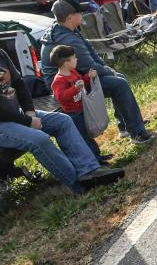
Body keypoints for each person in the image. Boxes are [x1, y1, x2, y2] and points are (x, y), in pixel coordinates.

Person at [1, 47, 122, 194]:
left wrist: (30, 113)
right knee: (40, 140)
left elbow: (19, 83)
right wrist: (28, 122)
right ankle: (79, 185)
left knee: (62, 121)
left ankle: (88, 171)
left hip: (17, 113)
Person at [39, 0, 154, 144]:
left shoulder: (66, 29)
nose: (82, 15)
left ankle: (126, 126)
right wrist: (108, 71)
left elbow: (91, 55)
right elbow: (89, 67)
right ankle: (137, 133)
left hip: (75, 77)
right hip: (67, 86)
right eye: (79, 13)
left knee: (118, 79)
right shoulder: (67, 38)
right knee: (118, 84)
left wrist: (107, 69)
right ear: (69, 17)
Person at [49, 45, 105, 160]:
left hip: (82, 108)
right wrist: (75, 88)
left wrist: (88, 77)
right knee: (83, 136)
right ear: (66, 62)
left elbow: (81, 81)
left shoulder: (73, 72)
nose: (76, 59)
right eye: (74, 58)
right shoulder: (59, 80)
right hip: (74, 114)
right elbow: (61, 97)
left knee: (88, 134)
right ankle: (95, 159)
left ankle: (98, 156)